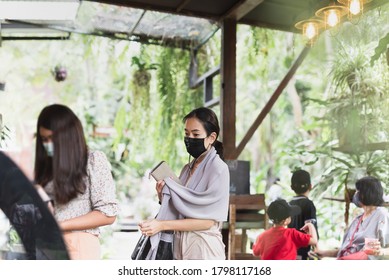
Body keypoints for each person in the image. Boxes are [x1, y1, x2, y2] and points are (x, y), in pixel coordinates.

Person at [138, 107, 230, 260]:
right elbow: (182, 209)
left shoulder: (219, 169)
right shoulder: (187, 169)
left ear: (211, 137)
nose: (189, 138)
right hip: (180, 246)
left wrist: (162, 225)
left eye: (196, 134)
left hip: (203, 249)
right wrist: (163, 197)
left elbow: (207, 221)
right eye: (187, 134)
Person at [34, 104, 118, 260]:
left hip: (77, 245)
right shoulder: (48, 166)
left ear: (68, 136)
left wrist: (59, 226)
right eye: (44, 139)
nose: (48, 144)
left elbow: (107, 214)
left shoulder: (92, 161)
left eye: (53, 138)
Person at [314, 176, 389, 260]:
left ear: (366, 194)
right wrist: (324, 253)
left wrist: (381, 251)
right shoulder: (357, 220)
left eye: (357, 191)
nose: (355, 195)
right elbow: (346, 250)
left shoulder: (382, 216)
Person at [252, 198, 318, 260]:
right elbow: (314, 241)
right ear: (285, 221)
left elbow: (255, 253)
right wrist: (310, 225)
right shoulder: (291, 234)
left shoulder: (262, 236)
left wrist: (257, 240)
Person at [288, 169, 318, 260]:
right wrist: (316, 248)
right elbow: (310, 228)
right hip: (304, 252)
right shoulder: (309, 205)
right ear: (310, 186)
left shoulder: (289, 204)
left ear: (291, 187)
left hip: (291, 251)